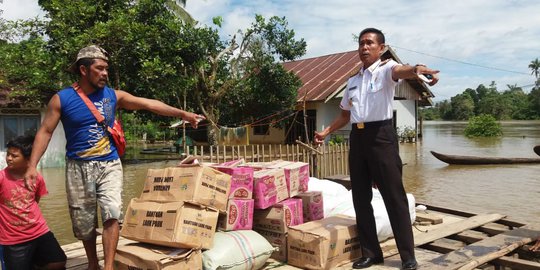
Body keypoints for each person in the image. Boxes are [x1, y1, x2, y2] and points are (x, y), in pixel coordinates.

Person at [24, 45, 205, 270]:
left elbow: (148, 103)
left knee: (112, 213)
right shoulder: (62, 99)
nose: (105, 73)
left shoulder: (113, 95)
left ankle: (108, 266)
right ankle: (92, 264)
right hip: (77, 167)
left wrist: (183, 114)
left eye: (106, 69)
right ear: (83, 69)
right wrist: (32, 166)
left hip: (109, 163)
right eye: (99, 68)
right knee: (83, 222)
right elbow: (45, 132)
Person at [314, 28, 439, 270]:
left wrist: (416, 70)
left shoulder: (386, 70)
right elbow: (344, 115)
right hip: (357, 138)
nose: (364, 47)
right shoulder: (352, 81)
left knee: (395, 198)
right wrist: (326, 132)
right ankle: (371, 253)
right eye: (361, 43)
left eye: (370, 43)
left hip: (381, 136)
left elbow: (401, 71)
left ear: (381, 48)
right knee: (361, 198)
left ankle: (408, 257)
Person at [1, 135, 67, 270]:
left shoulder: (36, 178)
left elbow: (35, 201)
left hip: (39, 231)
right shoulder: (1, 178)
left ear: (28, 159)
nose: (8, 158)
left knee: (58, 262)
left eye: (14, 156)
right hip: (13, 239)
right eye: (8, 154)